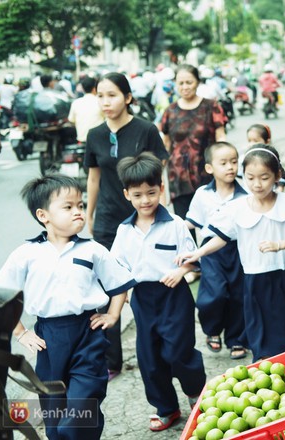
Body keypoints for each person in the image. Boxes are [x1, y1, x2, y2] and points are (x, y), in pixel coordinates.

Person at [0, 174, 136, 440]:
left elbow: (119, 283)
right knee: (52, 408)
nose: (78, 212)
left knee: (83, 403)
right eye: (68, 207)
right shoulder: (27, 253)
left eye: (80, 206)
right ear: (43, 215)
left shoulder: (92, 250)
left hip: (87, 334)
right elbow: (0, 296)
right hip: (48, 337)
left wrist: (113, 314)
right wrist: (21, 332)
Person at [175, 145, 285, 361]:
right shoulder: (237, 207)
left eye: (264, 177)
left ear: (277, 176)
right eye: (250, 178)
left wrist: (279, 245)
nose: (257, 184)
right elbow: (222, 238)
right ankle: (275, 365)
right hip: (255, 277)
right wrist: (198, 253)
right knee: (265, 328)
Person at [112, 152, 205, 431]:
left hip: (174, 296)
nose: (145, 200)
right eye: (138, 195)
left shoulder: (175, 224)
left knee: (179, 351)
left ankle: (195, 394)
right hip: (143, 298)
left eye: (151, 193)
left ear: (161, 189)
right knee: (149, 357)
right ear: (127, 194)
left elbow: (193, 261)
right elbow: (117, 267)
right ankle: (166, 407)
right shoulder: (124, 231)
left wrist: (181, 271)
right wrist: (124, 293)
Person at [84, 72, 169, 381]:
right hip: (108, 221)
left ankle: (159, 346)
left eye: (112, 95)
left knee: (149, 285)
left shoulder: (146, 130)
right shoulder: (94, 135)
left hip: (144, 217)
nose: (106, 102)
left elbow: (159, 176)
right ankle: (111, 360)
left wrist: (164, 211)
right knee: (110, 289)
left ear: (128, 97)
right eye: (101, 96)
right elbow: (93, 177)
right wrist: (89, 214)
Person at [185, 142, 248, 360]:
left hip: (239, 250)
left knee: (238, 296)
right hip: (210, 251)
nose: (230, 167)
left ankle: (236, 339)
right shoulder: (203, 194)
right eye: (223, 163)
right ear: (210, 168)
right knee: (213, 296)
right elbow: (191, 222)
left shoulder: (246, 193)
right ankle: (212, 329)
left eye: (234, 161)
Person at [160, 64, 226, 242]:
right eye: (180, 83)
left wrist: (225, 167)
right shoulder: (170, 111)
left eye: (189, 82)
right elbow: (165, 146)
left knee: (213, 227)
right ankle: (191, 266)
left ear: (197, 82)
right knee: (184, 227)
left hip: (207, 175)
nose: (185, 87)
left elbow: (221, 140)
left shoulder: (211, 107)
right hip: (178, 177)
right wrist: (159, 179)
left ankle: (213, 267)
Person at [68, 76, 104, 143]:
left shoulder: (76, 103)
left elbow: (71, 120)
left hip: (82, 140)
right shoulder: (101, 102)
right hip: (99, 140)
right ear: (94, 89)